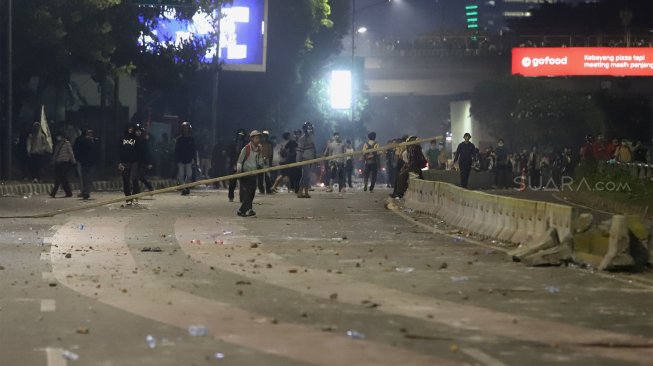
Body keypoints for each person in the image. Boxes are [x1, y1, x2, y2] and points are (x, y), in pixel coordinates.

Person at [236, 130, 263, 217]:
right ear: (252, 139)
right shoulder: (246, 148)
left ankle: (246, 210)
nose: (258, 140)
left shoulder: (259, 148)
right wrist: (239, 171)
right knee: (248, 193)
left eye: (259, 138)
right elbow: (240, 161)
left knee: (252, 193)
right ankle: (243, 210)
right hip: (245, 174)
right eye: (256, 138)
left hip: (254, 173)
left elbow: (260, 161)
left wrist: (264, 166)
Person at [73, 128, 99, 200]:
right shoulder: (83, 141)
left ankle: (86, 192)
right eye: (89, 134)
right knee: (84, 178)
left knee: (89, 178)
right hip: (84, 162)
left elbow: (96, 152)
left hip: (90, 163)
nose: (90, 135)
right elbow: (78, 150)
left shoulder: (94, 141)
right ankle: (85, 191)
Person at [118, 124, 140, 205]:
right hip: (124, 161)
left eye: (132, 128)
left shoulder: (136, 138)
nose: (130, 129)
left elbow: (139, 150)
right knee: (126, 180)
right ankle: (128, 197)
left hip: (134, 161)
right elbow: (119, 149)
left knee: (134, 179)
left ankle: (135, 195)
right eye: (129, 128)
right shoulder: (122, 137)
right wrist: (119, 162)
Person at [49, 132, 76, 198]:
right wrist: (53, 160)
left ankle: (54, 192)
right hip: (58, 163)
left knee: (61, 178)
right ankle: (68, 192)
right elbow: (55, 153)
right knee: (61, 178)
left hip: (65, 162)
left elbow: (71, 153)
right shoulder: (58, 144)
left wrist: (73, 161)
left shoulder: (67, 143)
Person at [175, 122, 196, 196]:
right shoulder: (179, 139)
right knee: (181, 174)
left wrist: (195, 159)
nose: (185, 130)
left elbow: (194, 150)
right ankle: (184, 189)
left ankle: (186, 187)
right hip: (180, 160)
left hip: (189, 160)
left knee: (189, 174)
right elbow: (176, 150)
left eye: (187, 128)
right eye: (184, 128)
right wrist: (176, 159)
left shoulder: (191, 139)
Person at [296, 122, 316, 198]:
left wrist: (314, 158)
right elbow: (299, 151)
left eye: (311, 128)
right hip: (305, 159)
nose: (310, 130)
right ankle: (300, 192)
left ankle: (306, 192)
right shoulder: (302, 139)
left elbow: (313, 150)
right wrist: (298, 161)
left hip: (310, 159)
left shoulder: (311, 138)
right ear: (305, 129)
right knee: (305, 176)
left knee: (307, 176)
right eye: (308, 128)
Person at [228, 129, 248, 202]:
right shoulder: (233, 142)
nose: (240, 136)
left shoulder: (246, 144)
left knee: (243, 182)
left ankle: (242, 198)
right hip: (233, 162)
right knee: (232, 181)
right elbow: (230, 154)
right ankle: (231, 196)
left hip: (243, 163)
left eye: (242, 135)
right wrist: (233, 164)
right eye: (239, 135)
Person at [135, 124, 154, 192]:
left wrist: (149, 162)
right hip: (134, 161)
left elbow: (147, 152)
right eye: (137, 131)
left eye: (139, 131)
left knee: (140, 176)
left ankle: (149, 187)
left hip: (142, 161)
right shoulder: (133, 140)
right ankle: (136, 191)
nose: (138, 132)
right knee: (135, 177)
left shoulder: (144, 140)